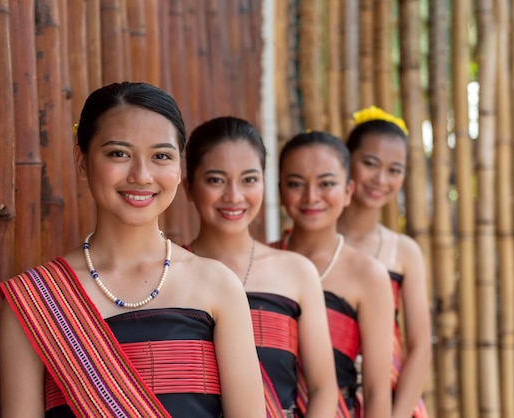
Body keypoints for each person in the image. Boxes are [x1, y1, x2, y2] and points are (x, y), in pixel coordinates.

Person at [0, 82, 266, 418]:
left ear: (179, 167)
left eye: (161, 156)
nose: (141, 175)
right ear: (82, 160)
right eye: (118, 153)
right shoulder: (36, 301)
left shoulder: (216, 285)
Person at [182, 116, 338, 417]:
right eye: (216, 180)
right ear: (188, 187)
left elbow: (323, 388)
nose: (234, 196)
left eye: (249, 179)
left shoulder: (296, 272)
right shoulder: (169, 273)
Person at [275, 131, 394, 418]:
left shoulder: (368, 275)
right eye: (295, 184)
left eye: (326, 184)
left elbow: (378, 390)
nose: (311, 197)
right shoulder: (262, 262)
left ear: (348, 191)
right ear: (279, 190)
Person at [337, 106, 431, 418]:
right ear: (347, 161)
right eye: (370, 163)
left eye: (394, 169)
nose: (381, 179)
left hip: (392, 403)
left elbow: (419, 347)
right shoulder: (315, 245)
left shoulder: (404, 251)